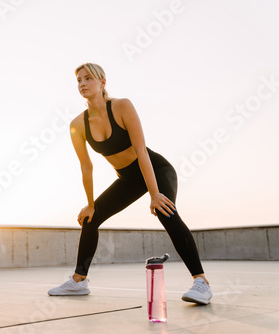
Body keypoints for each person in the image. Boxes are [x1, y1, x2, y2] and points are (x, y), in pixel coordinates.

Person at [47, 63, 213, 305]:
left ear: (103, 82)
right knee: (90, 219)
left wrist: (154, 194)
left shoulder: (122, 106)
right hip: (127, 178)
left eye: (88, 78)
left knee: (165, 211)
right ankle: (78, 281)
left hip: (156, 169)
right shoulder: (77, 125)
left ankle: (201, 282)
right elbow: (86, 166)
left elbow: (141, 151)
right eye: (79, 80)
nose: (82, 84)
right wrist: (91, 204)